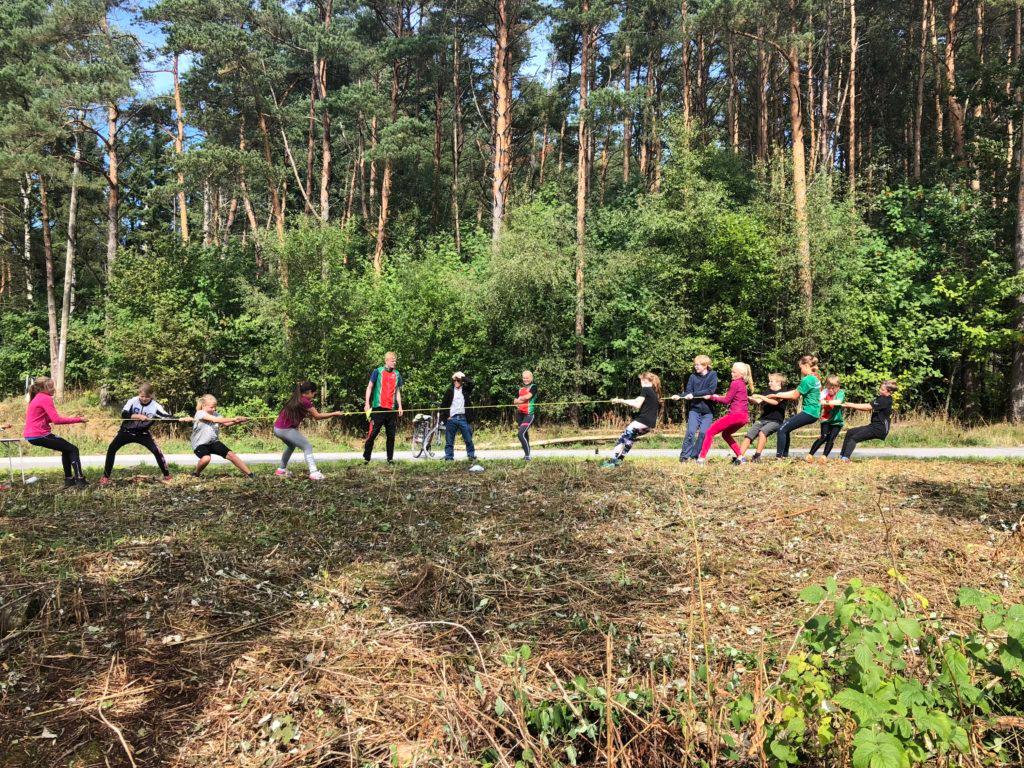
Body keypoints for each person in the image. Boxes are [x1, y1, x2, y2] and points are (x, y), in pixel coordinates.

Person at [100, 383, 186, 486]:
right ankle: (105, 477)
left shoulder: (155, 406)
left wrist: (180, 419)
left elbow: (166, 417)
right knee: (111, 449)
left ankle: (167, 475)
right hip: (126, 431)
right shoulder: (133, 401)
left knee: (156, 451)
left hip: (143, 434)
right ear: (138, 394)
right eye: (142, 396)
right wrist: (137, 416)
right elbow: (124, 414)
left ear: (151, 396)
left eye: (147, 397)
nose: (144, 399)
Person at [23, 376, 88, 488]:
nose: (54, 389)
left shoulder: (37, 397)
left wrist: (69, 418)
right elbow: (56, 420)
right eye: (51, 387)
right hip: (40, 434)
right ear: (44, 388)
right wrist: (79, 419)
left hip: (32, 435)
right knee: (73, 449)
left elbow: (45, 418)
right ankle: (80, 479)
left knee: (66, 449)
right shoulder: (45, 398)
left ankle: (69, 480)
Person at [273, 381, 343, 481]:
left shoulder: (296, 398)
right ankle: (314, 473)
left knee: (291, 446)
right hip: (285, 429)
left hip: (277, 428)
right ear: (309, 391)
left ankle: (281, 470)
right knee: (307, 446)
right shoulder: (305, 401)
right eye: (314, 393)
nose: (314, 395)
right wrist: (335, 413)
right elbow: (317, 416)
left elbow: (303, 414)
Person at [693, 362, 754, 464]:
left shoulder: (735, 383)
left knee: (710, 432)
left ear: (741, 374)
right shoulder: (742, 383)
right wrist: (717, 396)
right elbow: (730, 397)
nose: (731, 373)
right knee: (726, 434)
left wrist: (711, 397)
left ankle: (701, 459)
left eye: (734, 372)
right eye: (732, 371)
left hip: (735, 415)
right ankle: (740, 457)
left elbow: (726, 400)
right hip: (744, 417)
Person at [601, 372, 662, 468]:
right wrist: (621, 400)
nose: (640, 383)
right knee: (629, 440)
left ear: (645, 380)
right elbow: (637, 400)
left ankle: (611, 462)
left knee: (622, 440)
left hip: (641, 422)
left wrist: (621, 401)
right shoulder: (653, 392)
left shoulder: (645, 389)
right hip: (649, 425)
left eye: (641, 380)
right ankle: (619, 461)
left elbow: (637, 404)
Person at [190, 395, 254, 478]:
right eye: (211, 407)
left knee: (231, 455)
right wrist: (234, 418)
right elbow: (215, 420)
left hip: (213, 442)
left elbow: (226, 423)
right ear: (204, 406)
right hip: (200, 444)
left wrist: (239, 421)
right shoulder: (200, 413)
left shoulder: (215, 414)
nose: (214, 409)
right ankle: (196, 473)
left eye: (215, 407)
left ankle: (250, 474)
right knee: (206, 458)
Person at [772, 355, 822, 459]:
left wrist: (777, 395)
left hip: (809, 412)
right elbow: (796, 392)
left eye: (801, 368)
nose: (801, 370)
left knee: (781, 429)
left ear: (807, 366)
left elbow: (794, 396)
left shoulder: (807, 379)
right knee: (786, 428)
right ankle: (784, 456)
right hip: (814, 412)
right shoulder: (815, 378)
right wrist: (778, 394)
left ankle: (779, 457)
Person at [836, 380, 898, 460]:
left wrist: (850, 405)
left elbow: (867, 407)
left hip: (879, 428)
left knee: (854, 438)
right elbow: (868, 407)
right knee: (850, 432)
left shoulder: (885, 400)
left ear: (889, 392)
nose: (880, 390)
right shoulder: (881, 398)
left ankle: (845, 459)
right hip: (873, 426)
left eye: (882, 390)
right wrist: (849, 405)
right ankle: (842, 456)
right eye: (880, 388)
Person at [674, 355, 718, 462]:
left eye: (698, 365)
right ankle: (684, 457)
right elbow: (688, 392)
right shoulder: (692, 377)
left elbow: (710, 390)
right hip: (695, 410)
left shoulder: (712, 375)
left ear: (705, 365)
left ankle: (694, 456)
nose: (696, 367)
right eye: (695, 364)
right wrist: (680, 396)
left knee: (703, 433)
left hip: (708, 412)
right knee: (690, 432)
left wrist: (693, 394)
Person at [363, 352, 404, 463]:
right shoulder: (378, 371)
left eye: (395, 360)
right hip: (378, 408)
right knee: (373, 434)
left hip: (391, 409)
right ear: (386, 361)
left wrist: (400, 406)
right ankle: (366, 457)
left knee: (391, 435)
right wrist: (367, 403)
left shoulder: (397, 374)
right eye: (392, 360)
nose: (394, 362)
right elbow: (370, 387)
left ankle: (390, 459)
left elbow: (398, 391)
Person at [740, 373, 788, 462]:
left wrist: (760, 396)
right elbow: (758, 401)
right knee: (749, 435)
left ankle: (757, 456)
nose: (769, 383)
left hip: (776, 421)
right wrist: (748, 398)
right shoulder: (767, 392)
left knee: (763, 432)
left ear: (779, 382)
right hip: (762, 419)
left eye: (771, 381)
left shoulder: (783, 393)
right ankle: (739, 456)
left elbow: (774, 402)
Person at [441, 371, 480, 466]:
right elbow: (443, 406)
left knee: (468, 439)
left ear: (461, 381)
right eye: (454, 380)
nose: (456, 382)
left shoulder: (466, 390)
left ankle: (471, 456)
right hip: (452, 418)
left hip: (463, 418)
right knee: (449, 440)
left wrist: (462, 377)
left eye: (458, 380)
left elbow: (472, 383)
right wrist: (447, 417)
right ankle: (449, 457)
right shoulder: (450, 391)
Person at [807, 374, 845, 462]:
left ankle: (824, 457)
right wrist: (821, 400)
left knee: (831, 439)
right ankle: (810, 454)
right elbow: (818, 400)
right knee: (823, 436)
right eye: (829, 388)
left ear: (838, 387)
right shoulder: (825, 392)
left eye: (833, 388)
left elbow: (838, 401)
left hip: (837, 421)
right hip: (826, 419)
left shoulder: (841, 393)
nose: (830, 390)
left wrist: (826, 401)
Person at [514, 370, 538, 460]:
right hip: (520, 415)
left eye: (527, 378)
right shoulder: (520, 389)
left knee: (520, 434)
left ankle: (528, 456)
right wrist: (519, 400)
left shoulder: (533, 387)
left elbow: (528, 397)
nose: (525, 379)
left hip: (529, 415)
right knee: (525, 434)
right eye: (524, 378)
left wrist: (520, 399)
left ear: (531, 378)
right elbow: (514, 401)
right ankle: (526, 455)